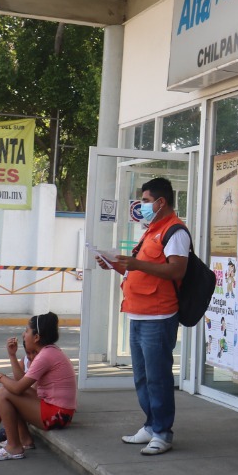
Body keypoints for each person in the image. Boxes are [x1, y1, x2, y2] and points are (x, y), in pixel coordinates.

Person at [95, 176, 189, 456]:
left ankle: (162, 432)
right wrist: (115, 264)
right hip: (138, 313)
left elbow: (176, 270)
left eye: (146, 201)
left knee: (158, 378)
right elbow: (140, 269)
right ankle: (151, 425)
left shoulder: (175, 231)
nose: (142, 206)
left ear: (161, 202)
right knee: (142, 377)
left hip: (158, 316)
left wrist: (136, 264)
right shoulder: (151, 231)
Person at [0, 312, 76, 461]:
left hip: (57, 415)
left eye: (27, 331)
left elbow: (17, 388)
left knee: (3, 393)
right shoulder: (48, 351)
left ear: (36, 337)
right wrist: (12, 356)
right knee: (8, 391)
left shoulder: (45, 356)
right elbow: (21, 382)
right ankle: (24, 440)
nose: (23, 334)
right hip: (60, 412)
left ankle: (14, 447)